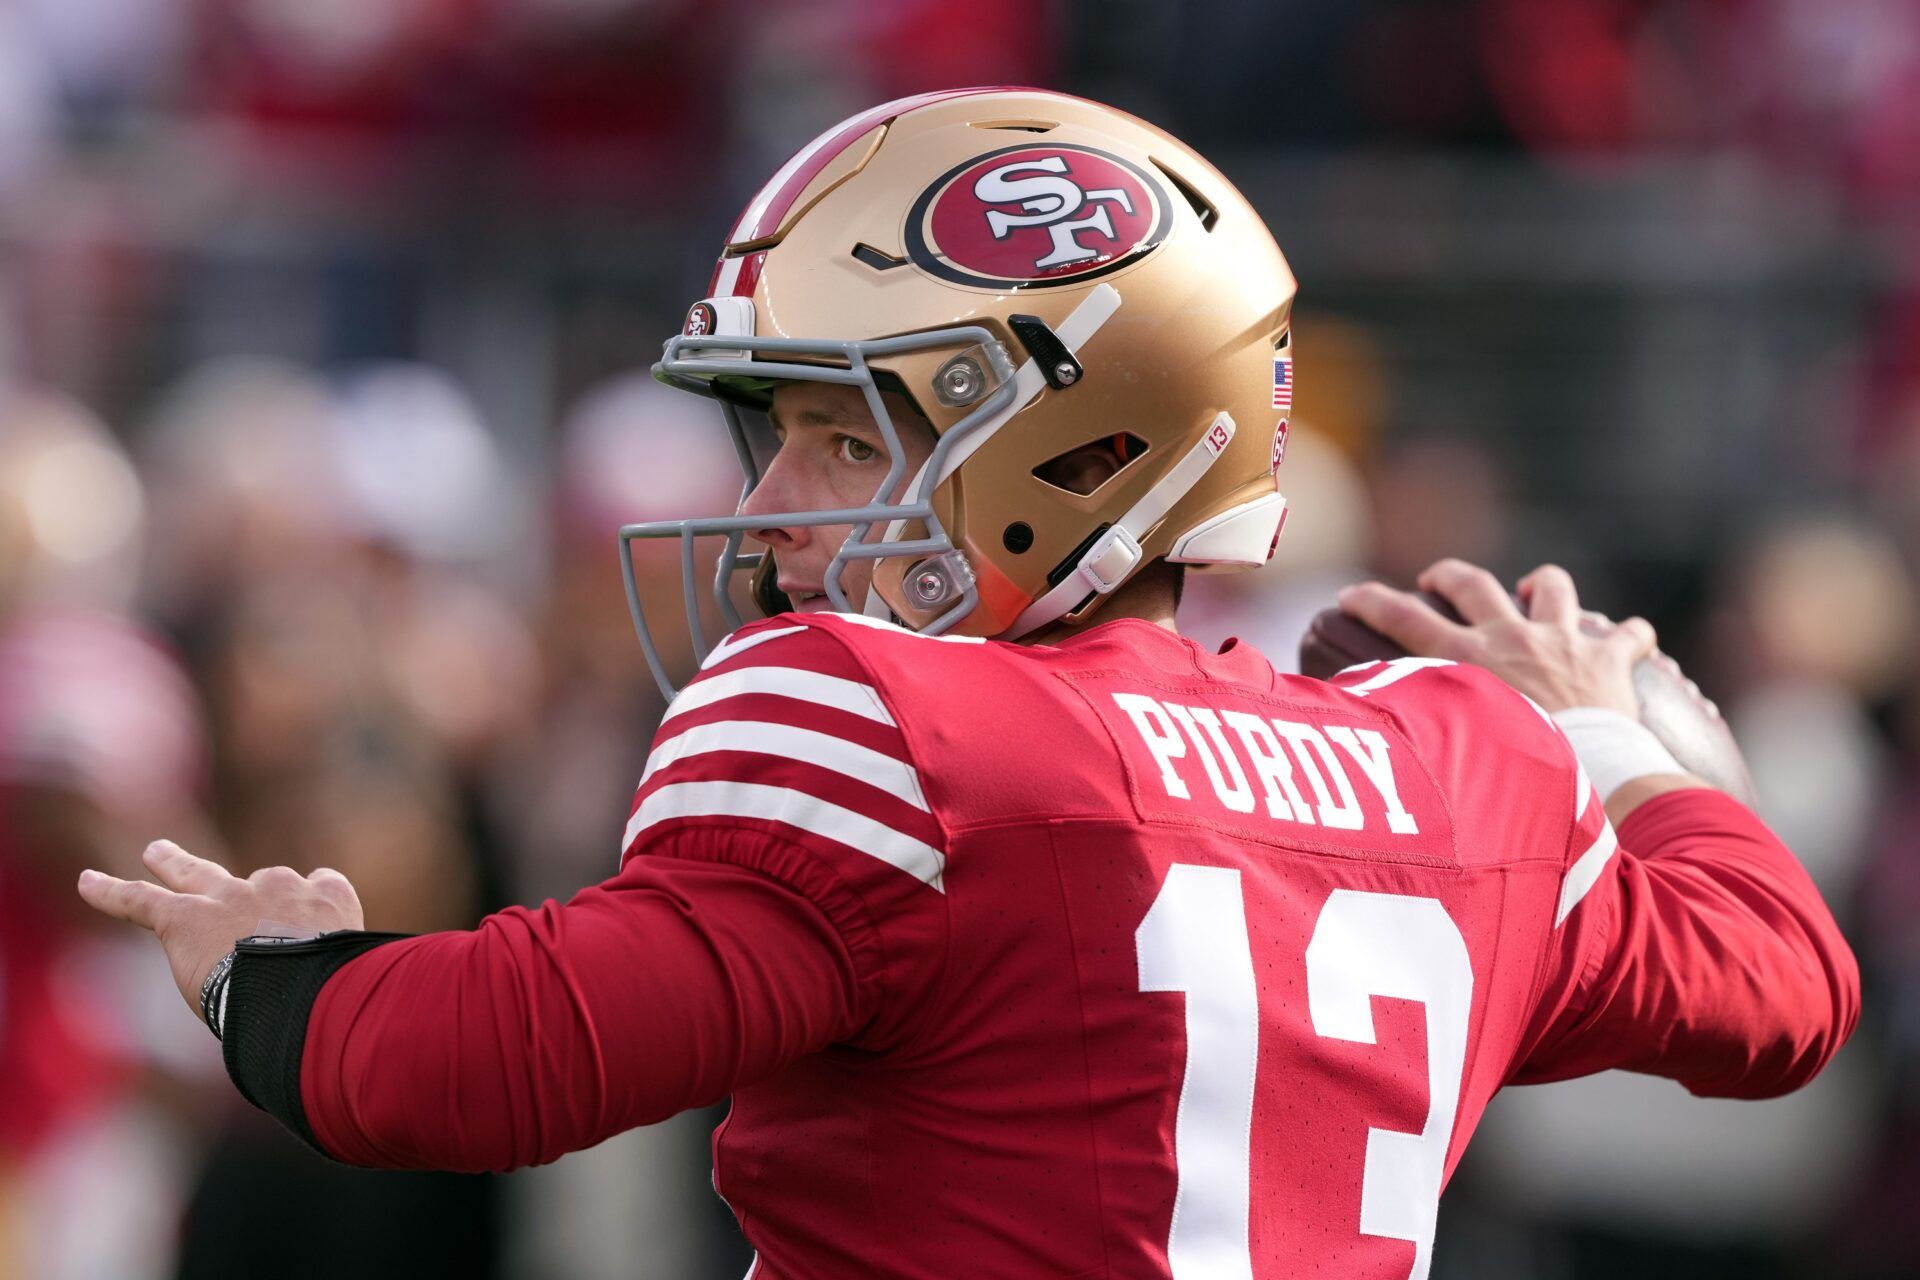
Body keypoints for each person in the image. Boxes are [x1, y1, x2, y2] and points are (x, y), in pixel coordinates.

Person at [80, 88, 1858, 1280]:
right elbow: (1784, 990)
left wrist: (270, 982)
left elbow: (476, 1073)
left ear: (1087, 450)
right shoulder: (1465, 769)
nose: (772, 515)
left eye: (841, 436)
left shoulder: (894, 729)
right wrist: (1631, 750)